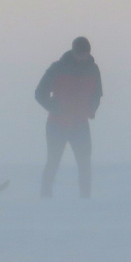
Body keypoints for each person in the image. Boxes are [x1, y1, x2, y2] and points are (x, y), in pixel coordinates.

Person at [35, 36, 102, 198]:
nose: (82, 57)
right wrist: (54, 107)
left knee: (84, 165)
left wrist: (91, 110)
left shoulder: (93, 70)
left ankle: (85, 200)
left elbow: (97, 93)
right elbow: (39, 93)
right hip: (57, 124)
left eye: (85, 53)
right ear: (73, 52)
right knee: (53, 163)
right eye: (79, 53)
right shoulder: (58, 68)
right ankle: (45, 199)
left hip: (80, 125)